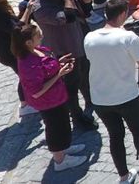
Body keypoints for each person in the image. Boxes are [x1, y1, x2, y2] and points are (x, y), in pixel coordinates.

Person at [84, 0, 139, 184]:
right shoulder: (128, 38)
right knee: (138, 129)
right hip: (127, 96)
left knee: (115, 136)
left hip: (100, 99)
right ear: (122, 14)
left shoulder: (89, 37)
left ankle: (124, 176)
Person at [12, 22, 88, 171]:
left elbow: (46, 69)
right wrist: (60, 74)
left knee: (64, 125)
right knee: (55, 129)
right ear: (28, 42)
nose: (42, 36)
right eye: (38, 35)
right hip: (48, 102)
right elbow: (36, 91)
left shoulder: (37, 50)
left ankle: (63, 148)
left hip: (57, 97)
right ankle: (59, 161)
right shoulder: (28, 64)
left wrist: (59, 64)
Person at [30, 0, 98, 132]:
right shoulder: (40, 8)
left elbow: (87, 9)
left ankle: (91, 100)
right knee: (71, 89)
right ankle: (77, 117)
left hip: (79, 47)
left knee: (86, 78)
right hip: (64, 54)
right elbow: (68, 17)